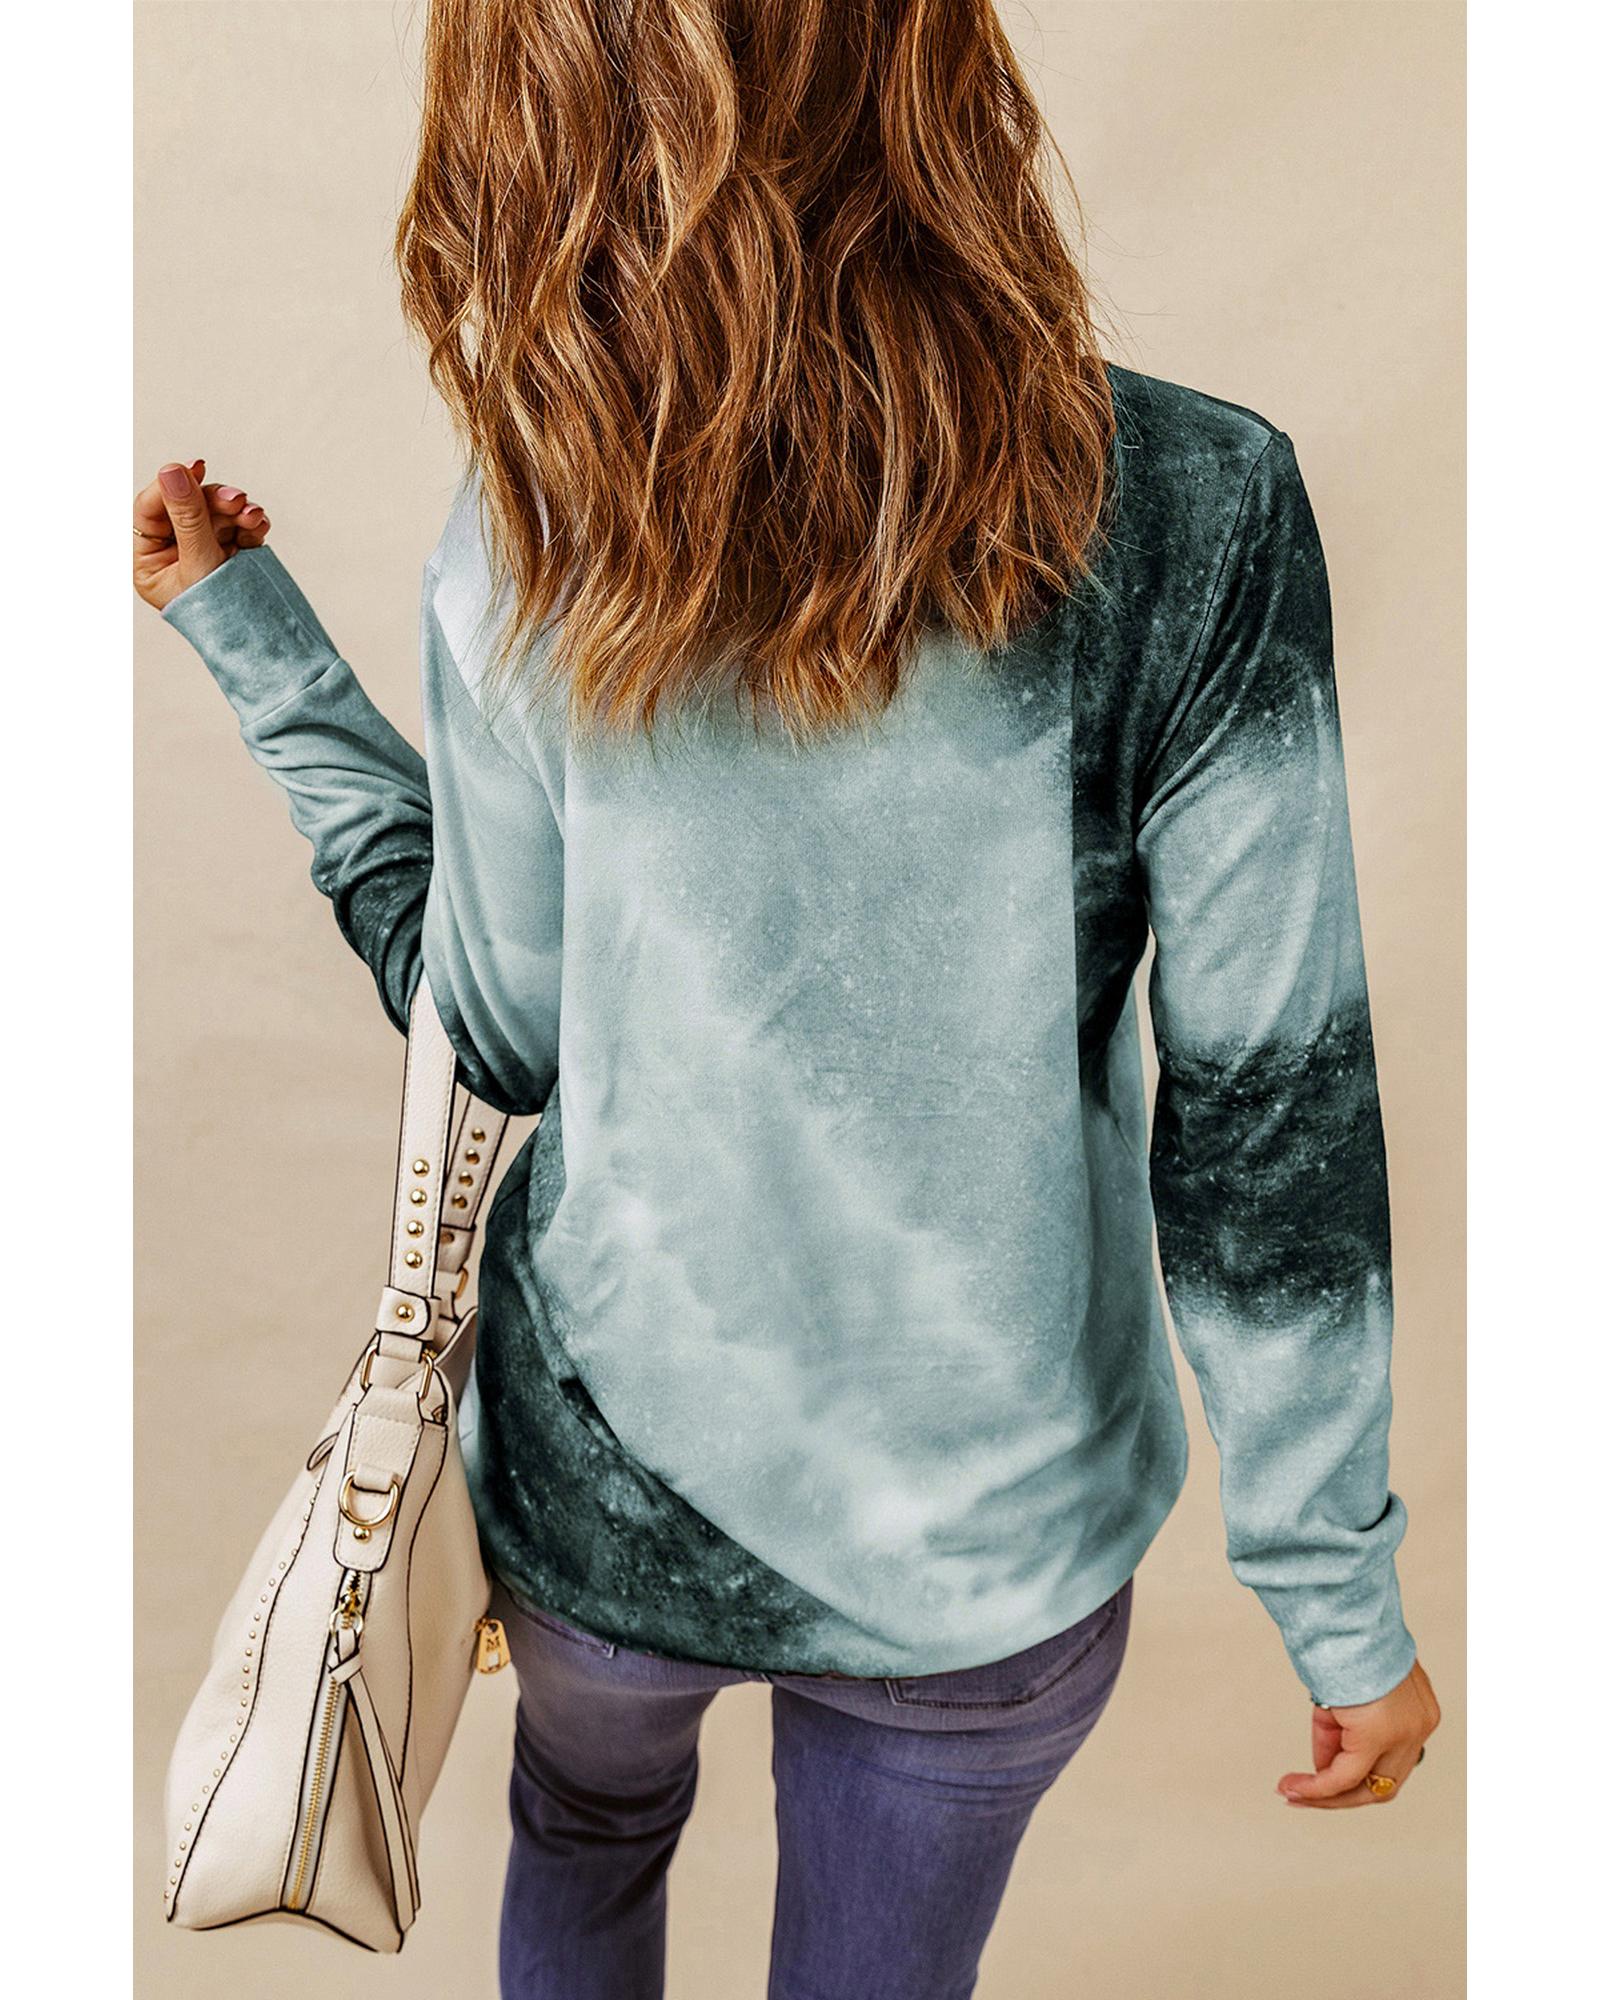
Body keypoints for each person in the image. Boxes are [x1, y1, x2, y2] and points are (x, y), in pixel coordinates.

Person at [134, 2, 1439, 1994]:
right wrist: (1335, 1602)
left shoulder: (530, 537)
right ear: (932, 66)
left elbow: (493, 1035)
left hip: (602, 1492)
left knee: (586, 1835)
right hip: (984, 1548)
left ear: (540, 123)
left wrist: (260, 650)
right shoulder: (1197, 506)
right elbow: (1270, 1125)